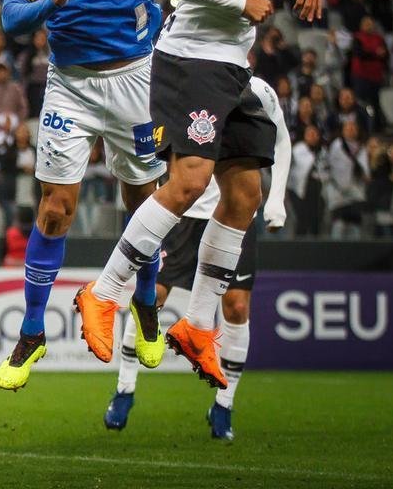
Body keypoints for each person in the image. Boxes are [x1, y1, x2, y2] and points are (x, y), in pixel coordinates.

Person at [77, 0, 322, 388]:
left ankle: (197, 324)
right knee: (190, 182)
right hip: (193, 61)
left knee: (244, 192)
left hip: (229, 67)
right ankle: (103, 291)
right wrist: (240, 2)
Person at [0, 0, 189, 391]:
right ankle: (32, 331)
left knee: (142, 203)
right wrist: (51, 2)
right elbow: (11, 18)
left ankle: (146, 302)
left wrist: (176, 2)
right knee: (55, 208)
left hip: (136, 80)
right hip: (70, 85)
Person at [104, 75, 290, 440]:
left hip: (235, 214)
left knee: (237, 307)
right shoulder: (189, 79)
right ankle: (124, 389)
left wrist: (277, 199)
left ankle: (224, 404)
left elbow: (281, 139)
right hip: (184, 213)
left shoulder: (260, 90)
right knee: (152, 296)